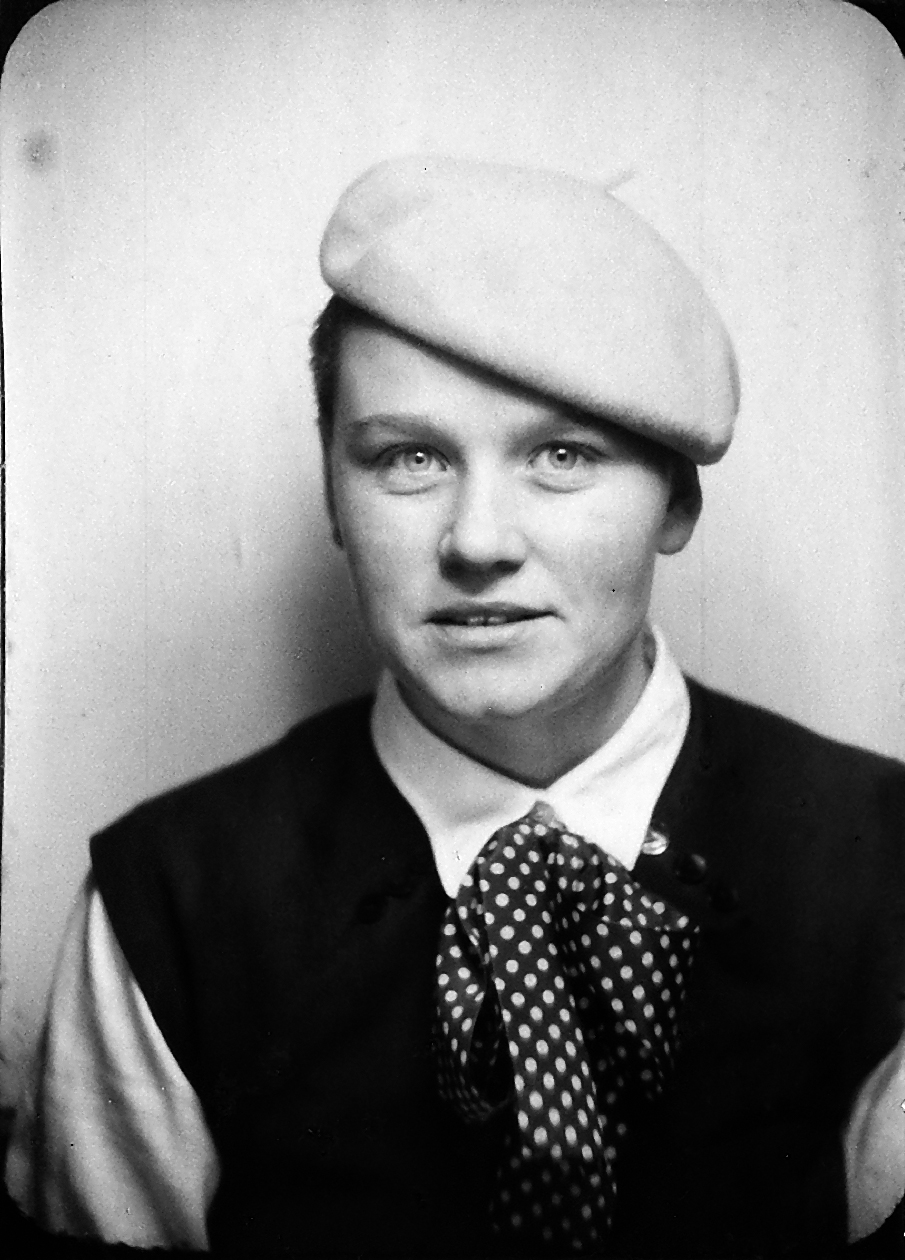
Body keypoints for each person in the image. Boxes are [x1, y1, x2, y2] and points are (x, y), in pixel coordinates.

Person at [5, 156, 905, 1257]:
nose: (477, 541)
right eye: (409, 458)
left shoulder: (880, 863)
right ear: (332, 492)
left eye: (562, 455)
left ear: (676, 500)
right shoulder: (169, 906)